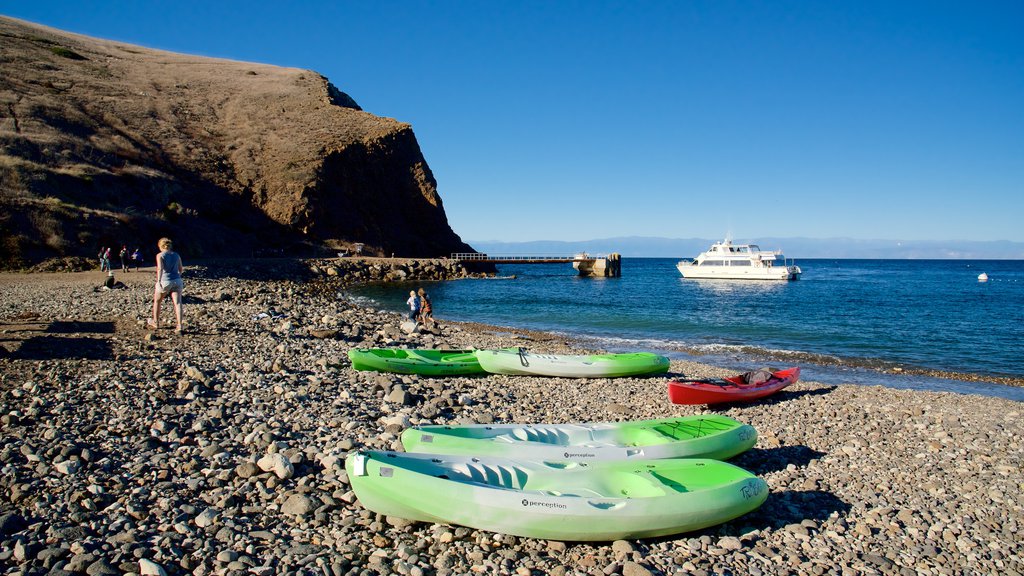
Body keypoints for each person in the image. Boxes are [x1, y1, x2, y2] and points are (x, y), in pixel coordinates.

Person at [149, 237, 184, 334]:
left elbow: (160, 269)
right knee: (177, 303)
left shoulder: (160, 255)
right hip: (177, 280)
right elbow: (180, 269)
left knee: (157, 301)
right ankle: (179, 325)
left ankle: (155, 322)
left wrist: (158, 281)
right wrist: (178, 276)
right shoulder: (176, 255)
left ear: (161, 246)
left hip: (165, 280)